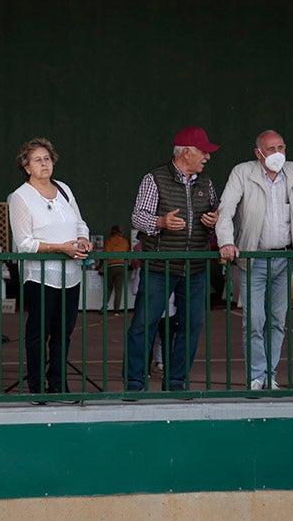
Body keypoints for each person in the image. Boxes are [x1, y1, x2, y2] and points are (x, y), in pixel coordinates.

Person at [215, 129, 293, 391]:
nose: (277, 154)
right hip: (252, 259)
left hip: (285, 260)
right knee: (254, 321)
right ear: (257, 153)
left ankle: (270, 376)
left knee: (276, 321)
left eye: (281, 148)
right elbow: (226, 209)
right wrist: (226, 241)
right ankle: (256, 377)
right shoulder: (242, 173)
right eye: (271, 149)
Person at [126, 126, 220, 393]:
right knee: (144, 324)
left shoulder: (206, 182)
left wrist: (214, 221)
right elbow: (138, 217)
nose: (207, 157)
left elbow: (215, 213)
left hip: (196, 268)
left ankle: (176, 382)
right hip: (160, 266)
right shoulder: (154, 178)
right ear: (186, 152)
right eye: (203, 151)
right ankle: (134, 383)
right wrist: (161, 221)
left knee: (192, 326)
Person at [8, 137, 91, 402]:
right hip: (40, 277)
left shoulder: (64, 189)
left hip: (71, 275)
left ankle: (58, 384)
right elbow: (23, 243)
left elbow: (80, 222)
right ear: (27, 167)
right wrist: (60, 248)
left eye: (47, 158)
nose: (44, 163)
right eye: (37, 160)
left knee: (63, 333)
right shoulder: (20, 197)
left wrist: (83, 239)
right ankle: (36, 386)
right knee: (38, 333)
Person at [102, 225, 130, 315]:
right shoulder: (125, 241)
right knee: (118, 289)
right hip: (122, 265)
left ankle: (104, 308)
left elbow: (105, 254)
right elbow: (127, 252)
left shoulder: (108, 241)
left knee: (108, 288)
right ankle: (116, 310)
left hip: (110, 265)